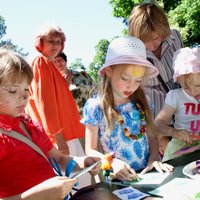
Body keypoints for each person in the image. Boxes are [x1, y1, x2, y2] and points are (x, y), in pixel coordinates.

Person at [0, 48, 101, 199]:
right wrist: (37, 195)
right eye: (13, 90)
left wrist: (83, 162)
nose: (24, 96)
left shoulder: (31, 125)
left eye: (27, 88)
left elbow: (59, 159)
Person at [81, 36, 174, 182]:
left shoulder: (143, 102)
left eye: (138, 80)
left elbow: (152, 136)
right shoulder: (95, 107)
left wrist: (154, 158)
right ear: (109, 71)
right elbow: (90, 150)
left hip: (149, 174)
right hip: (118, 180)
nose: (131, 86)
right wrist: (111, 162)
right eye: (125, 78)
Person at [128, 1, 184, 155]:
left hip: (184, 115)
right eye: (144, 40)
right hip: (158, 121)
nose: (150, 46)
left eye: (155, 38)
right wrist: (157, 134)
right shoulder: (133, 55)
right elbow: (137, 99)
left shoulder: (175, 37)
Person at [154, 47, 200, 161]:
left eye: (197, 86)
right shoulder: (175, 96)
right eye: (186, 88)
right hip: (181, 146)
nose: (193, 92)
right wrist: (173, 132)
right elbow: (158, 123)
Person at [53, 52, 95, 117]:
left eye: (60, 60)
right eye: (54, 62)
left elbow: (95, 90)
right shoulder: (55, 84)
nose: (58, 63)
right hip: (74, 120)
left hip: (92, 115)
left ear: (65, 61)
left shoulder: (82, 74)